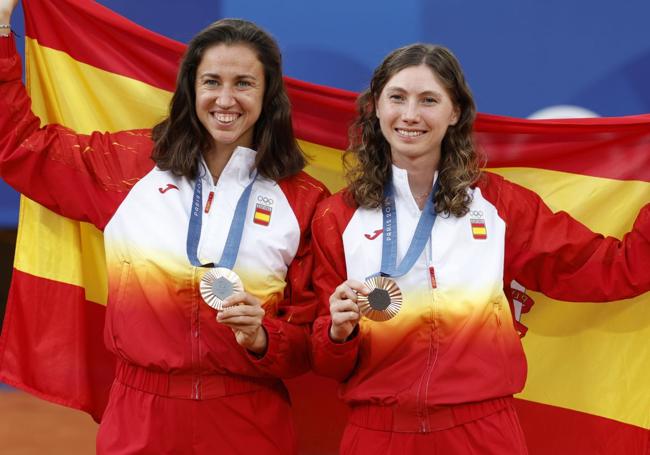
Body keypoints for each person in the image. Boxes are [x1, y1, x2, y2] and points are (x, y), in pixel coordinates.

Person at [0, 1, 329, 453]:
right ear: (189, 90)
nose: (226, 99)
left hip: (247, 417)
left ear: (269, 95)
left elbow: (308, 339)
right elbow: (17, 146)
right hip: (141, 415)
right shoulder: (127, 169)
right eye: (211, 82)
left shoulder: (304, 199)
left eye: (244, 84)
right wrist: (0, 29)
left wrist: (263, 336)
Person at [310, 43, 650, 454]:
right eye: (397, 97)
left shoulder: (500, 206)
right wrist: (336, 333)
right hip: (379, 433)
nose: (410, 114)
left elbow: (608, 268)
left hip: (480, 431)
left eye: (429, 100)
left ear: (454, 113)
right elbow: (326, 361)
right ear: (376, 108)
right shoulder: (336, 217)